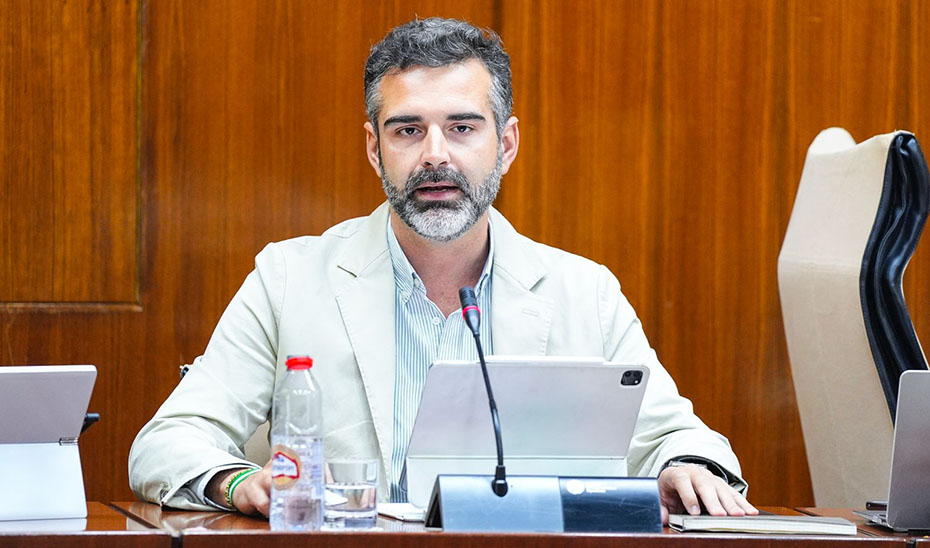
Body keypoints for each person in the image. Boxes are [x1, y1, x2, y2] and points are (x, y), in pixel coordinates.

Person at [129, 17, 758, 524]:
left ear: (505, 144)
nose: (435, 155)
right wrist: (241, 481)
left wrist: (684, 468)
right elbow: (168, 441)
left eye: (462, 127)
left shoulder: (582, 291)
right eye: (407, 130)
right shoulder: (289, 278)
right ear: (374, 147)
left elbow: (679, 437)